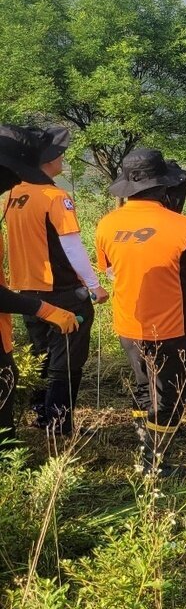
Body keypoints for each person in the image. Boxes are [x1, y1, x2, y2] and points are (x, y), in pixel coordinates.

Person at [96, 149, 186, 476]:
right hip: (172, 327)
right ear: (163, 186)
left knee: (145, 384)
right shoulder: (184, 226)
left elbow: (109, 270)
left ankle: (144, 441)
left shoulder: (106, 224)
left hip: (127, 323)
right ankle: (154, 462)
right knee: (173, 391)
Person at [4, 126, 104, 437]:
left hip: (26, 291)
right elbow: (72, 248)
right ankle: (59, 426)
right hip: (61, 290)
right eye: (59, 154)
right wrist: (94, 286)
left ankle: (39, 415)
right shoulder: (56, 197)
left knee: (40, 354)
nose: (62, 158)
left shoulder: (14, 193)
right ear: (47, 161)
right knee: (67, 360)